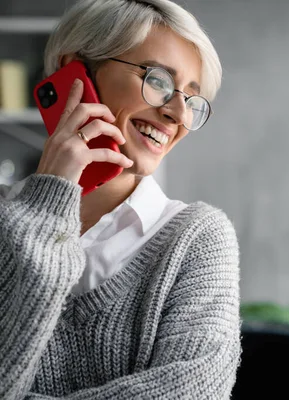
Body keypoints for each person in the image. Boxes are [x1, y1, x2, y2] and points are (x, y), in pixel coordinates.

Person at [0, 0, 241, 398]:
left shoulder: (198, 239)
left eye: (191, 99)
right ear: (74, 71)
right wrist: (48, 204)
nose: (178, 114)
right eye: (159, 80)